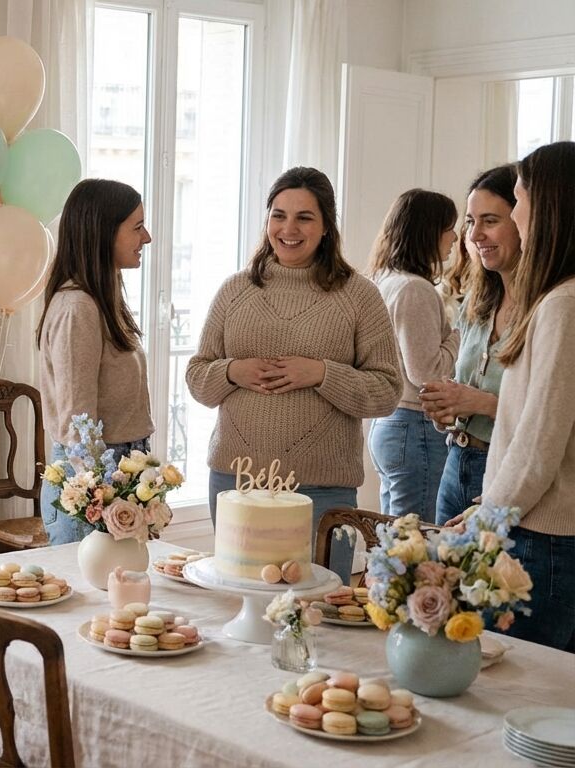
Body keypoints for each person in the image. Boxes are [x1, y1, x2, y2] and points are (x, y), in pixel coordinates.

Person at [186, 167, 402, 579]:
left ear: (326, 227)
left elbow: (388, 390)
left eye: (304, 217)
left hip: (323, 490)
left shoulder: (360, 296)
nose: (289, 228)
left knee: (317, 618)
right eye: (278, 214)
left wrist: (322, 374)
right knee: (240, 604)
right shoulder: (234, 291)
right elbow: (198, 378)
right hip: (237, 482)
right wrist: (232, 371)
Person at [476, 142, 575, 652]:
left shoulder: (563, 304)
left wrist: (487, 516)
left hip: (545, 538)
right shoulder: (558, 298)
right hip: (541, 529)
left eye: (518, 200)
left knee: (522, 696)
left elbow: (539, 441)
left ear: (550, 205)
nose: (515, 214)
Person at [37, 179, 154, 545]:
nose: (146, 238)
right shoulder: (78, 310)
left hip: (117, 474)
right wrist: (99, 498)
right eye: (136, 227)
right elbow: (78, 423)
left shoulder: (101, 302)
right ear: (102, 233)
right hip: (89, 485)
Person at [419, 165, 520, 525]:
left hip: (508, 472)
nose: (475, 234)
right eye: (469, 221)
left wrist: (482, 403)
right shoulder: (477, 303)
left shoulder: (549, 309)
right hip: (456, 463)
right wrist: (447, 411)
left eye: (489, 220)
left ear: (524, 220)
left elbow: (552, 415)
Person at [367, 189, 460, 522]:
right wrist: (459, 336)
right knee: (414, 545)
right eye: (450, 227)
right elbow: (426, 374)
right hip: (414, 426)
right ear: (429, 231)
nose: (455, 236)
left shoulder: (385, 281)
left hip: (391, 424)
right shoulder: (415, 289)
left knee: (394, 542)